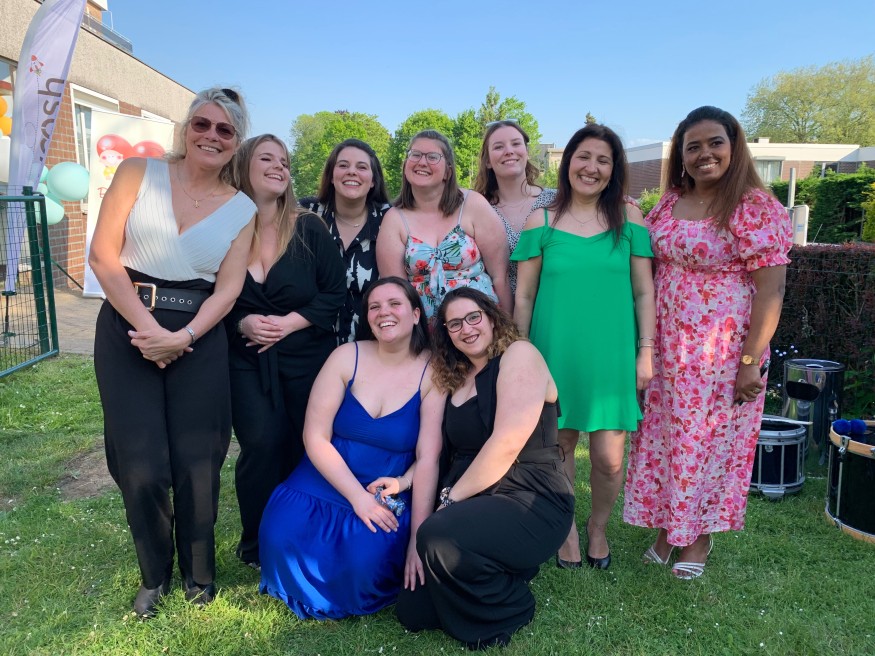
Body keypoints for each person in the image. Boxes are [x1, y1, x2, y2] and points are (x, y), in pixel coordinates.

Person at [89, 87, 256, 616]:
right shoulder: (138, 173)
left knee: (198, 461)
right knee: (139, 462)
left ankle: (199, 575)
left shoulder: (243, 208)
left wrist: (181, 338)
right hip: (128, 329)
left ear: (236, 142)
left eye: (225, 130)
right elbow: (103, 256)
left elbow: (228, 290)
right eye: (202, 124)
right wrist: (148, 332)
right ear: (186, 128)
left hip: (198, 337)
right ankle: (154, 573)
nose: (211, 135)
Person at [623, 106, 791, 579]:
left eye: (715, 142)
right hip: (666, 347)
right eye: (692, 146)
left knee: (707, 443)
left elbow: (772, 291)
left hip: (720, 351)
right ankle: (668, 527)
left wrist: (751, 361)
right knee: (665, 438)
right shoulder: (669, 202)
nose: (704, 154)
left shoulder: (754, 207)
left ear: (734, 146)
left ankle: (698, 537)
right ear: (681, 155)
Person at [396, 288, 574, 650]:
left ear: (492, 318)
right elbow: (442, 451)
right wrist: (404, 480)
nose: (466, 329)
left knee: (438, 535)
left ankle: (512, 605)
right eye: (454, 324)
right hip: (478, 496)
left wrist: (449, 501)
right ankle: (501, 566)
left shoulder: (519, 355)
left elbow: (507, 443)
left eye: (473, 317)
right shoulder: (455, 376)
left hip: (530, 494)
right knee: (413, 612)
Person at [513, 124, 655, 570]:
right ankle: (567, 529)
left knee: (609, 460)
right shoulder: (541, 221)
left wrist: (646, 351)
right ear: (568, 162)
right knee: (559, 448)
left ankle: (598, 526)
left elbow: (644, 292)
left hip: (611, 355)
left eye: (603, 160)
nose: (592, 168)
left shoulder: (630, 219)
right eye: (584, 157)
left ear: (614, 170)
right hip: (553, 352)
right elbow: (524, 296)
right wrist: (520, 354)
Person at [258, 277, 444, 619]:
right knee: (280, 536)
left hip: (383, 488)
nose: (384, 312)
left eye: (394, 304)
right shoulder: (346, 356)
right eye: (374, 306)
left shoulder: (433, 373)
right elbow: (315, 437)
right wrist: (357, 498)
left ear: (416, 314)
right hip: (324, 477)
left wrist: (418, 540)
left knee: (364, 564)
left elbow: (429, 457)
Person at [224, 134, 346, 569]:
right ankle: (256, 543)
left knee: (304, 445)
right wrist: (242, 322)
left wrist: (290, 322)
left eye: (285, 162)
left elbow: (335, 293)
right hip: (247, 360)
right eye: (267, 158)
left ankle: (300, 538)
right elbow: (209, 295)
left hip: (307, 360)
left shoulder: (308, 227)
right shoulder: (222, 227)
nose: (280, 167)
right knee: (260, 444)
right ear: (243, 165)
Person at [376, 129, 512, 323]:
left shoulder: (473, 204)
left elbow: (500, 277)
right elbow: (395, 293)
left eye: (433, 157)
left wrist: (509, 329)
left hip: (478, 324)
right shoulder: (394, 219)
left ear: (448, 171)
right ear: (405, 165)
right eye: (415, 155)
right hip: (424, 329)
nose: (422, 162)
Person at [299, 139, 392, 344]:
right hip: (309, 344)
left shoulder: (390, 219)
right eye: (343, 165)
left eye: (362, 167)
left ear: (373, 180)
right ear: (331, 176)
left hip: (371, 346)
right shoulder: (306, 214)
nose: (352, 172)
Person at [473, 119, 555, 294]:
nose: (509, 151)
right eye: (498, 147)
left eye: (516, 144)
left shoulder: (557, 201)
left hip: (553, 304)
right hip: (500, 307)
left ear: (527, 152)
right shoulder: (478, 210)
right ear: (488, 161)